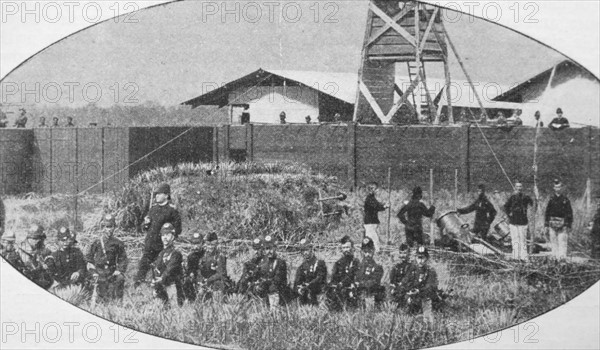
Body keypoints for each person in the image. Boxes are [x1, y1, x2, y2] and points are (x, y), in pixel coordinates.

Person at [134, 183, 182, 287]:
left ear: (166, 195)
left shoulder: (172, 211)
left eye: (159, 194)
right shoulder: (153, 209)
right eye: (156, 194)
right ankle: (137, 287)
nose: (156, 196)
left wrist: (168, 239)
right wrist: (145, 224)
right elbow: (145, 228)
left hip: (161, 246)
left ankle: (158, 287)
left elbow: (178, 229)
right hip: (150, 244)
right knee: (143, 266)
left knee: (160, 268)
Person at [85, 214, 128, 302]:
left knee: (120, 278)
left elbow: (123, 259)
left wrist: (119, 270)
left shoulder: (118, 243)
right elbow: (88, 258)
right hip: (99, 272)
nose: (109, 229)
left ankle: (118, 301)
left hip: (111, 272)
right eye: (106, 227)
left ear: (114, 227)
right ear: (102, 228)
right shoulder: (96, 242)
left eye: (111, 227)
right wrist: (93, 272)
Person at [401, 246, 439, 321]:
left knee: (427, 301)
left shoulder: (430, 271)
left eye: (423, 258)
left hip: (424, 298)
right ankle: (408, 317)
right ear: (415, 258)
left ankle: (426, 318)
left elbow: (430, 287)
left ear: (427, 259)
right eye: (419, 258)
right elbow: (404, 282)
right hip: (413, 297)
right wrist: (409, 290)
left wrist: (419, 291)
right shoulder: (412, 270)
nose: (420, 261)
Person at [151, 223, 184, 307]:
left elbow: (170, 268)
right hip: (162, 285)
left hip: (173, 286)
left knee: (174, 311)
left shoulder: (176, 253)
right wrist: (154, 280)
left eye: (168, 235)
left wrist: (162, 278)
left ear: (173, 237)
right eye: (163, 235)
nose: (165, 238)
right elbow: (157, 269)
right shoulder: (161, 253)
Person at [326, 235, 360, 311]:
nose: (346, 250)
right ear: (341, 249)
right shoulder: (338, 263)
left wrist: (342, 283)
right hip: (340, 288)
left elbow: (352, 275)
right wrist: (333, 284)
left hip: (351, 287)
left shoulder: (355, 261)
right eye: (344, 248)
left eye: (347, 247)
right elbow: (334, 277)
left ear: (352, 248)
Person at [196, 232, 232, 299]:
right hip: (204, 280)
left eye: (213, 244)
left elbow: (221, 273)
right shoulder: (202, 255)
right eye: (208, 244)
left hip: (216, 280)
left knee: (217, 291)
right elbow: (198, 269)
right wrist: (201, 280)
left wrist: (208, 280)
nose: (210, 247)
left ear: (216, 244)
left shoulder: (220, 256)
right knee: (199, 292)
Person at [503, 181, 533, 261]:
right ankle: (516, 257)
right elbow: (505, 207)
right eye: (517, 187)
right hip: (513, 222)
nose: (519, 188)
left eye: (520, 187)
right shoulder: (512, 198)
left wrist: (536, 196)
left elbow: (533, 204)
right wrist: (509, 215)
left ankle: (524, 257)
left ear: (522, 188)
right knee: (515, 240)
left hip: (523, 222)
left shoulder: (525, 197)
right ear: (515, 188)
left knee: (523, 240)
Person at [544, 180, 573, 260]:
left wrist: (567, 225)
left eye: (559, 187)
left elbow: (569, 212)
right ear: (554, 188)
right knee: (553, 242)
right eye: (556, 187)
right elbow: (547, 212)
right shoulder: (551, 199)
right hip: (552, 223)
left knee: (562, 242)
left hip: (563, 224)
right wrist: (546, 224)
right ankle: (554, 258)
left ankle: (562, 259)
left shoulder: (565, 200)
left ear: (562, 188)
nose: (558, 189)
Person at [17, 224, 53, 289]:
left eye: (40, 239)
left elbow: (49, 254)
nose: (38, 241)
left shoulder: (39, 246)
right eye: (35, 238)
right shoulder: (21, 250)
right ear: (29, 238)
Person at [293, 238, 327, 306]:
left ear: (311, 249)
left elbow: (320, 278)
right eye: (302, 250)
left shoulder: (319, 263)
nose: (304, 252)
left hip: (318, 294)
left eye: (306, 249)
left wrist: (308, 285)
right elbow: (297, 281)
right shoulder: (302, 266)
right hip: (305, 295)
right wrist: (299, 288)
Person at [256, 235, 288, 306]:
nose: (269, 251)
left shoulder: (280, 262)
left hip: (277, 293)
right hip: (266, 293)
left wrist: (264, 282)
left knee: (273, 290)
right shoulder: (263, 263)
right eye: (266, 249)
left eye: (271, 248)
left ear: (275, 248)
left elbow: (277, 279)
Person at [354, 237, 385, 308]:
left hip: (370, 293)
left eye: (369, 251)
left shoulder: (377, 267)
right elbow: (356, 278)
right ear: (362, 252)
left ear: (373, 251)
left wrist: (361, 283)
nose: (367, 254)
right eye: (365, 251)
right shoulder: (359, 266)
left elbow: (374, 281)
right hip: (359, 294)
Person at [363, 182, 389, 252]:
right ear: (371, 190)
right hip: (370, 221)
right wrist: (384, 206)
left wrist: (383, 205)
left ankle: (372, 250)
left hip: (372, 221)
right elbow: (376, 206)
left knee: (371, 237)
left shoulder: (372, 198)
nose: (377, 190)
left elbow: (377, 204)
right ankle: (375, 251)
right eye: (375, 189)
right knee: (373, 238)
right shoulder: (369, 198)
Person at [183, 231, 205, 302]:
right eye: (194, 243)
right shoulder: (190, 256)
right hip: (196, 279)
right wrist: (191, 274)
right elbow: (189, 270)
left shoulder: (206, 254)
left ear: (202, 243)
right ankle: (190, 299)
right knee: (187, 281)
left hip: (207, 278)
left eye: (198, 243)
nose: (196, 246)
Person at [590, 195, 600, 259]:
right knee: (594, 243)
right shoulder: (598, 209)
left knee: (597, 244)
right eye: (597, 200)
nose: (598, 202)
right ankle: (594, 258)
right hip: (595, 229)